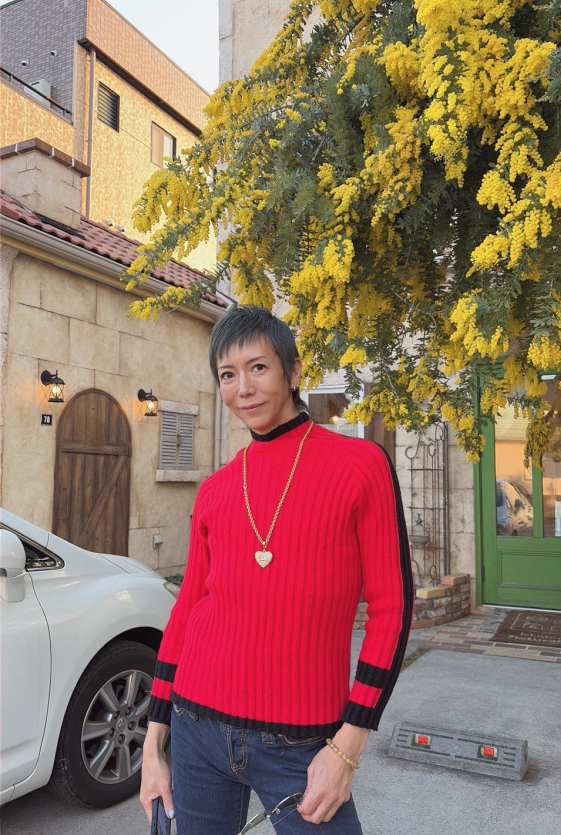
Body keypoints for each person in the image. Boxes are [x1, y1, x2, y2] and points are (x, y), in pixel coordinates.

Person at [140, 305, 414, 834]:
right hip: (195, 725)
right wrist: (153, 745)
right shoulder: (216, 488)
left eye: (258, 368)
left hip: (301, 741)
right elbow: (187, 610)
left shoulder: (361, 465)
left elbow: (393, 608)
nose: (243, 388)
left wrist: (349, 745)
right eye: (227, 374)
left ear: (293, 372)